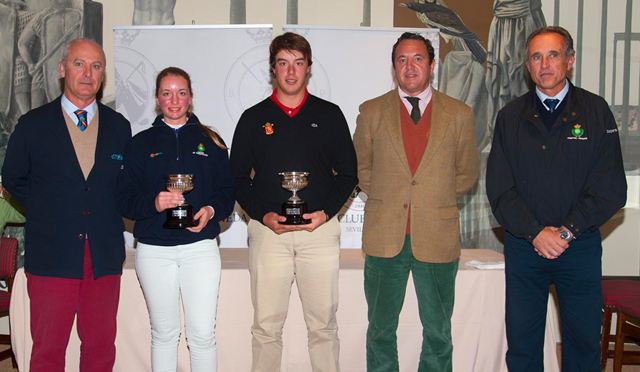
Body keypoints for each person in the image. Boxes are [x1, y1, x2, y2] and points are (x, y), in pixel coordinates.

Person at [486, 26, 627, 371]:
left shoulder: (596, 111)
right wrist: (536, 232)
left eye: (553, 55)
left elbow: (611, 188)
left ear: (570, 61)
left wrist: (565, 232)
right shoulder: (509, 117)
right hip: (525, 248)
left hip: (577, 248)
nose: (544, 64)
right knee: (522, 346)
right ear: (527, 66)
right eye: (536, 57)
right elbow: (500, 190)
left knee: (582, 345)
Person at [229, 32, 358, 372]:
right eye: (283, 63)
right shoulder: (253, 118)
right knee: (267, 329)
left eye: (298, 64)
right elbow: (238, 180)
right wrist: (263, 216)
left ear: (308, 69)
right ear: (273, 69)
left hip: (319, 235)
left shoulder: (329, 115)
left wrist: (326, 214)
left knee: (323, 328)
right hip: (269, 236)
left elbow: (348, 175)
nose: (291, 72)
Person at [2, 38, 132, 372]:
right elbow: (12, 178)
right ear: (62, 69)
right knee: (47, 350)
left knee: (101, 348)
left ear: (103, 75)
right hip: (52, 255)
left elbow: (123, 186)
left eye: (96, 66)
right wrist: (51, 209)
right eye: (79, 64)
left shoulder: (119, 126)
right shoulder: (33, 124)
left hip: (103, 256)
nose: (87, 74)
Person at [353, 32, 479, 372]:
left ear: (432, 64)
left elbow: (467, 172)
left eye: (418, 59)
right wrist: (389, 194)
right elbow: (360, 168)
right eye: (402, 60)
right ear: (393, 67)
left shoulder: (459, 114)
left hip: (437, 236)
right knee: (380, 329)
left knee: (439, 330)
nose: (410, 67)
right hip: (384, 238)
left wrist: (432, 198)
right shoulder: (371, 111)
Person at [116, 66, 235, 371]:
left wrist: (211, 211)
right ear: (157, 98)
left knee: (202, 335)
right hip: (155, 251)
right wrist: (154, 203)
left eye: (181, 93)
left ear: (190, 98)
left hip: (201, 248)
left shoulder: (212, 141)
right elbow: (124, 199)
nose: (174, 100)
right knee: (164, 335)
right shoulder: (139, 143)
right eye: (167, 93)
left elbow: (226, 192)